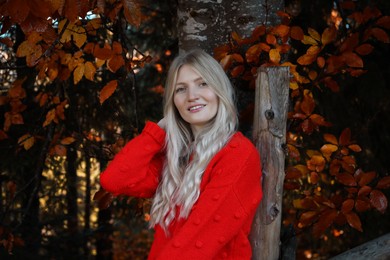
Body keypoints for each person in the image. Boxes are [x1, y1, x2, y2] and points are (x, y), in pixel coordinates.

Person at [100, 49, 262, 259]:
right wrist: (157, 131)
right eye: (181, 89)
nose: (192, 96)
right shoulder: (176, 158)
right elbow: (113, 180)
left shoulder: (238, 154)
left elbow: (199, 242)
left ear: (219, 90)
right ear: (173, 101)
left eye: (202, 83)